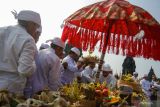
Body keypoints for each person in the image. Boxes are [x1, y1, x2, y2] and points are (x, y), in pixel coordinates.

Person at [0, 10, 41, 95]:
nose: (35, 30)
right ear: (31, 24)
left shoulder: (2, 30)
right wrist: (33, 64)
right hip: (11, 89)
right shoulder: (28, 39)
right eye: (36, 26)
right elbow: (25, 70)